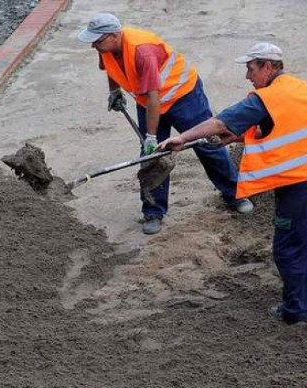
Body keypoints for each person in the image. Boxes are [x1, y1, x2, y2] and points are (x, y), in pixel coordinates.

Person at [157, 42, 307, 324]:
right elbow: (287, 125)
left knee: (291, 248)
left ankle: (296, 312)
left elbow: (219, 122)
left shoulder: (262, 99)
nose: (248, 76)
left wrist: (181, 138)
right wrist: (240, 137)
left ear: (267, 66)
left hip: (299, 185)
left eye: (251, 69)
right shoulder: (303, 87)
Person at [77, 13, 254, 235]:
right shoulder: (107, 47)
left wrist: (151, 136)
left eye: (97, 40)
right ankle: (153, 211)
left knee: (206, 144)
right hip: (148, 101)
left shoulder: (143, 52)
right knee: (153, 157)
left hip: (183, 97)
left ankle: (235, 194)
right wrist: (115, 91)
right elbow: (110, 67)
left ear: (114, 35)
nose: (94, 45)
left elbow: (154, 97)